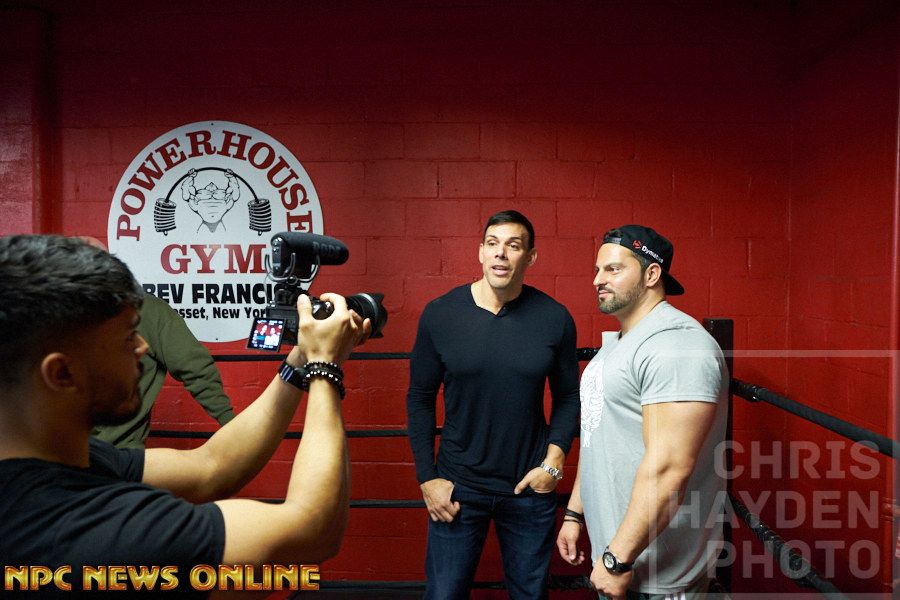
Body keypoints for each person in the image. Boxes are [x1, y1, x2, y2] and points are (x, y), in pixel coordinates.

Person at [0, 234, 370, 597]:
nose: (143, 346)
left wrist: (300, 361)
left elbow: (213, 467)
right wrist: (325, 367)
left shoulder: (59, 460)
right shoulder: (95, 531)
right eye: (128, 338)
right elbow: (313, 529)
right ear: (61, 374)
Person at [406, 210, 581, 600]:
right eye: (492, 243)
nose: (501, 253)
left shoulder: (554, 318)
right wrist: (427, 478)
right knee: (444, 594)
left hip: (528, 488)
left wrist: (553, 462)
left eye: (513, 245)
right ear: (481, 252)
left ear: (530, 257)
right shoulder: (441, 314)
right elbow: (420, 398)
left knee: (530, 596)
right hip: (458, 486)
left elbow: (569, 396)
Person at [556, 225, 729, 600]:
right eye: (598, 270)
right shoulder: (620, 344)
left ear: (652, 274)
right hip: (621, 559)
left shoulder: (676, 345)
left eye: (613, 269)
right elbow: (597, 433)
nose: (597, 280)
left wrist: (617, 559)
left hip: (656, 575)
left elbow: (669, 469)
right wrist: (574, 513)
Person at [77, 237, 236, 449]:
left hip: (114, 456)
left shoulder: (147, 311)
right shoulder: (50, 316)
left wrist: (232, 425)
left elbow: (195, 367)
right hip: (59, 457)